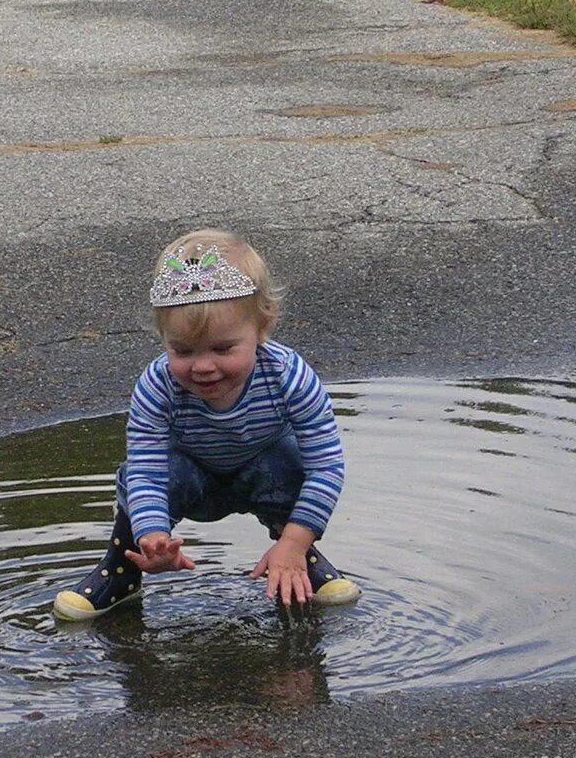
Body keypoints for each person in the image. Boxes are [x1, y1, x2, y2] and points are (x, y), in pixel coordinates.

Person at [53, 229, 360, 621]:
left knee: (292, 460)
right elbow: (147, 472)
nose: (202, 366)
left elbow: (326, 466)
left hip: (264, 473)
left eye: (222, 348)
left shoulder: (290, 376)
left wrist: (295, 541)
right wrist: (152, 537)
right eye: (182, 350)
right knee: (137, 476)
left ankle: (296, 554)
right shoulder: (156, 385)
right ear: (163, 338)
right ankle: (121, 572)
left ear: (262, 328)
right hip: (190, 476)